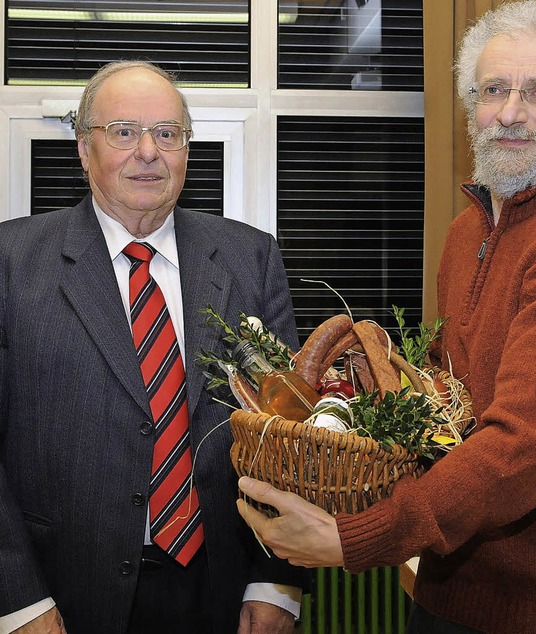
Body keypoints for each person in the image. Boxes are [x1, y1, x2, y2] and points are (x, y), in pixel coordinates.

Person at [236, 2, 536, 633]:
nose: (510, 112)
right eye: (494, 89)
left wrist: (359, 536)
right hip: (451, 591)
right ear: (470, 104)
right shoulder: (467, 232)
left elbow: (520, 448)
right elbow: (446, 408)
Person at [0, 61, 306, 634]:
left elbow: (287, 435)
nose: (148, 151)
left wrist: (278, 583)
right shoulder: (12, 264)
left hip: (219, 592)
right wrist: (18, 601)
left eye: (167, 133)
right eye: (123, 131)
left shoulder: (249, 259)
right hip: (61, 594)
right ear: (83, 148)